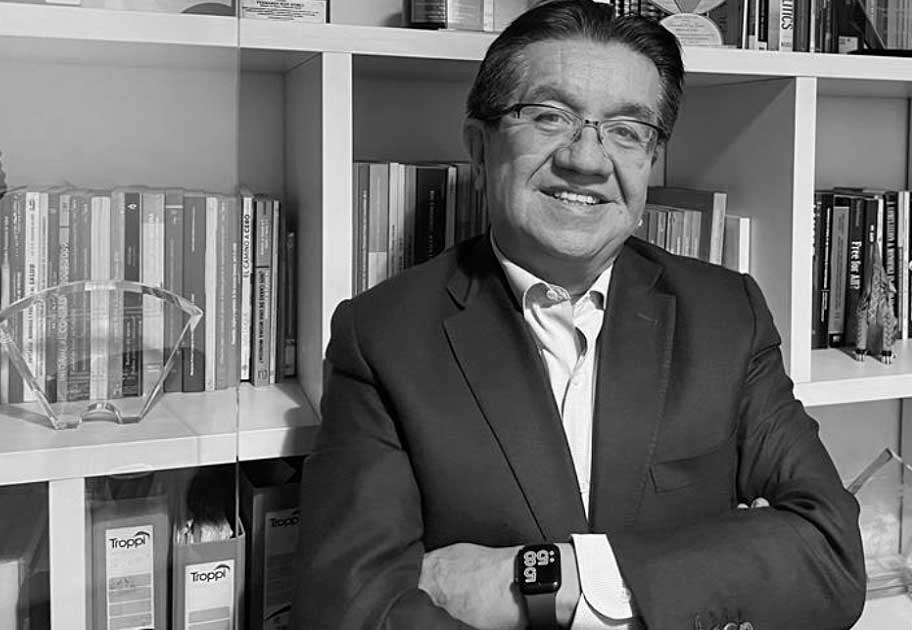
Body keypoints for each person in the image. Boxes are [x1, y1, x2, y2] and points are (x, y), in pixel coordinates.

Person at [293, 1, 866, 628]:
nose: (587, 160)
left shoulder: (727, 313)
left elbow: (830, 558)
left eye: (627, 130)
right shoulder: (381, 336)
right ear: (480, 149)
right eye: (549, 116)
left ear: (651, 158)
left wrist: (548, 580)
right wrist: (704, 568)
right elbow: (351, 611)